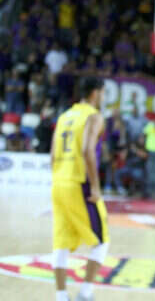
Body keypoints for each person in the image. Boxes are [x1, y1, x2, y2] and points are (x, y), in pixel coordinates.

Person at [50, 77, 109, 301]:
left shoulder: (64, 116)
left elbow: (52, 155)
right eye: (103, 93)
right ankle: (85, 293)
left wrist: (58, 179)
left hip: (59, 183)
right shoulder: (93, 116)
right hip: (79, 183)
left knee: (61, 242)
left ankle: (61, 296)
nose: (103, 97)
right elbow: (87, 150)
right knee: (102, 241)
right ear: (95, 93)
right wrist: (95, 186)